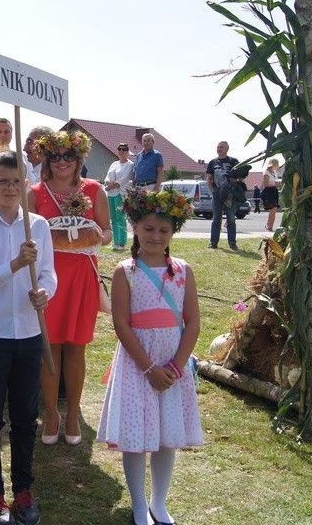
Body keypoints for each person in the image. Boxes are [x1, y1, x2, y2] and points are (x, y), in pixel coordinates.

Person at [97, 187, 203, 525]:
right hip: (138, 364)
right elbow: (122, 324)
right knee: (135, 436)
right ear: (135, 229)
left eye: (163, 230)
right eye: (148, 228)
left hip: (172, 363)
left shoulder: (184, 271)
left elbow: (193, 321)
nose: (155, 236)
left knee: (165, 437)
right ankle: (139, 504)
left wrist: (174, 366)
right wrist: (149, 369)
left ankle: (160, 502)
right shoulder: (124, 271)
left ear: (173, 233)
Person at [0, 152, 56, 525]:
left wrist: (45, 293)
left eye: (16, 181)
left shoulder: (38, 227)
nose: (9, 188)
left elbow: (49, 274)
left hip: (29, 333)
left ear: (24, 184)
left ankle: (23, 490)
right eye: (2, 181)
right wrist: (16, 265)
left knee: (24, 416)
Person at [27, 130, 111, 447]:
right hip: (49, 275)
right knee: (49, 347)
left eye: (69, 156)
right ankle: (51, 412)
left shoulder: (94, 189)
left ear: (78, 160)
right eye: (56, 156)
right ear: (47, 160)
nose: (62, 162)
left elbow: (107, 233)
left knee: (76, 346)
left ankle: (73, 412)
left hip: (81, 275)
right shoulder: (35, 193)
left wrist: (88, 235)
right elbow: (27, 233)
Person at [205, 141, 240, 250]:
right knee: (216, 219)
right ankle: (213, 242)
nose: (219, 149)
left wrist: (234, 182)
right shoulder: (212, 162)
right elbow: (209, 178)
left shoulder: (233, 161)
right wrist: (213, 191)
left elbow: (241, 176)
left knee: (231, 219)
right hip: (217, 193)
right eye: (218, 147)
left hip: (230, 194)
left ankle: (232, 243)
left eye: (221, 147)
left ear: (227, 149)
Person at [104, 142, 135, 251]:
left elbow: (124, 180)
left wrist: (112, 185)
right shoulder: (114, 164)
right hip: (111, 194)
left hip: (120, 194)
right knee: (113, 219)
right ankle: (115, 242)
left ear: (127, 152)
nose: (121, 151)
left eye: (124, 149)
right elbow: (107, 178)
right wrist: (108, 185)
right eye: (119, 149)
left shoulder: (130, 165)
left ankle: (121, 243)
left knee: (120, 218)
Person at [262, 158, 281, 232]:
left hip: (274, 191)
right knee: (273, 209)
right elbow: (266, 184)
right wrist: (275, 184)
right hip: (268, 192)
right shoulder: (266, 173)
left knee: (275, 209)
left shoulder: (274, 172)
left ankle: (270, 225)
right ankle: (268, 225)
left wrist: (278, 184)